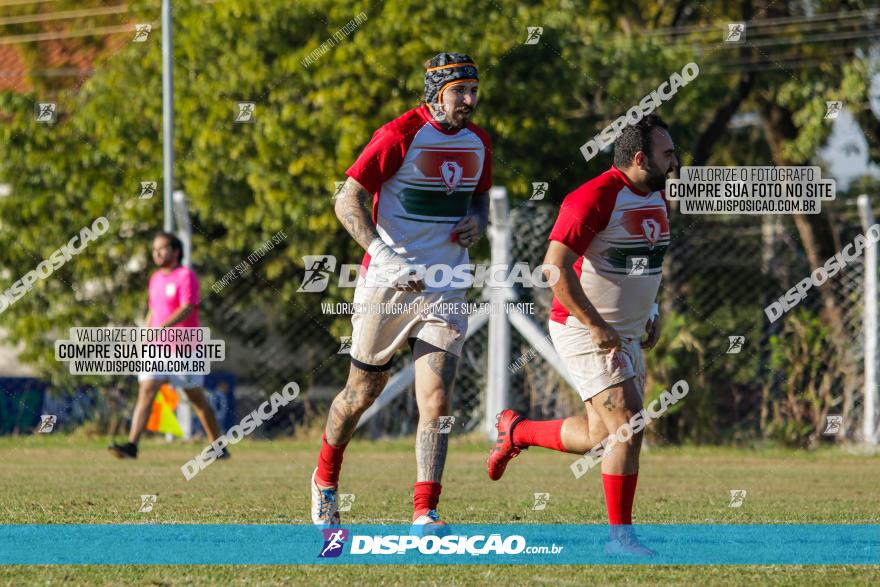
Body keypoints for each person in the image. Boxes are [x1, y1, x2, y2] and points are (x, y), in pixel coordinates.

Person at [310, 52, 492, 534]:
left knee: (436, 400)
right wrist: (381, 252)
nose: (470, 100)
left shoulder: (479, 142)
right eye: (460, 92)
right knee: (360, 393)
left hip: (447, 284)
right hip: (387, 286)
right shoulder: (398, 135)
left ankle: (424, 511)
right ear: (435, 92)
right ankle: (325, 480)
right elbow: (345, 198)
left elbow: (479, 196)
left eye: (474, 90)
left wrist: (479, 220)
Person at [487, 114, 677, 555]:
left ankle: (518, 432)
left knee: (601, 436)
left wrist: (651, 309)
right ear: (638, 158)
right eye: (666, 154)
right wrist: (596, 326)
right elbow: (552, 268)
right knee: (628, 428)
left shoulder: (655, 196)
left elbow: (646, 262)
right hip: (584, 329)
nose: (673, 162)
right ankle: (620, 540)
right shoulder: (592, 197)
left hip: (625, 333)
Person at [108, 232, 227, 460]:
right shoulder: (155, 278)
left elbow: (187, 308)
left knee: (196, 399)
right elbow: (153, 308)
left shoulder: (186, 276)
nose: (157, 253)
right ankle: (132, 445)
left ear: (176, 251)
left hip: (184, 348)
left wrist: (161, 326)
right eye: (155, 249)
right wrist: (146, 331)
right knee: (146, 391)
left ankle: (217, 445)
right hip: (157, 348)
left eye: (162, 248)